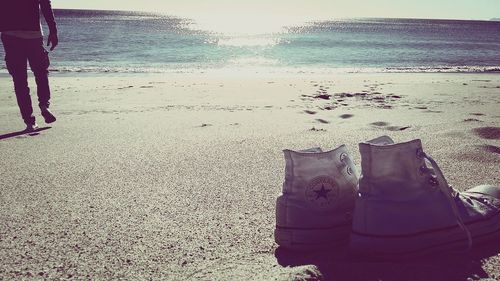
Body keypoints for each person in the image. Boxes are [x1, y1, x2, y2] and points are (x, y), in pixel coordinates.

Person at [0, 0, 59, 132]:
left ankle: (29, 121)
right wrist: (53, 30)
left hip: (10, 33)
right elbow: (45, 4)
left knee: (19, 79)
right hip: (32, 33)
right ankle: (44, 105)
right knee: (41, 73)